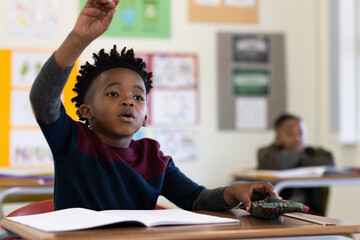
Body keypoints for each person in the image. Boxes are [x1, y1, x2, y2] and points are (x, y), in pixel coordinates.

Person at [30, 0, 278, 213]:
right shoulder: (71, 139)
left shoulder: (153, 158)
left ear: (146, 117)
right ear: (86, 111)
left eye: (138, 98)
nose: (128, 101)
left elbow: (195, 199)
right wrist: (78, 38)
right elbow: (43, 98)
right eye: (113, 93)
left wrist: (233, 191)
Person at [257, 113, 335, 215]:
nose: (297, 138)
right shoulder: (266, 153)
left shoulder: (311, 151)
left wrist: (296, 159)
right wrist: (300, 155)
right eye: (290, 134)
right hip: (277, 211)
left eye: (301, 133)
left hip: (309, 212)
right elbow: (277, 163)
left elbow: (329, 161)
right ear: (277, 138)